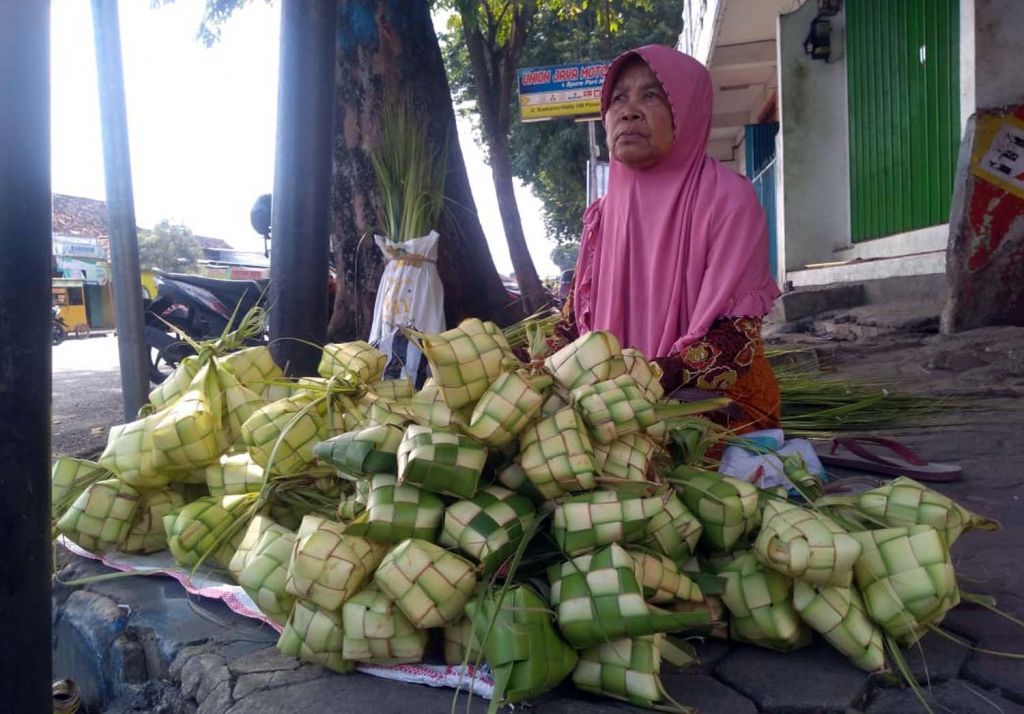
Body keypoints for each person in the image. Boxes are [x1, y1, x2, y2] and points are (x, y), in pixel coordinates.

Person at [563, 44, 782, 433]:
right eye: (618, 98)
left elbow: (738, 340)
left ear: (688, 110)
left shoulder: (729, 199)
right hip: (609, 414)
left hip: (711, 418)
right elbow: (572, 322)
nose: (629, 110)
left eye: (651, 95)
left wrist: (649, 380)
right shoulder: (602, 214)